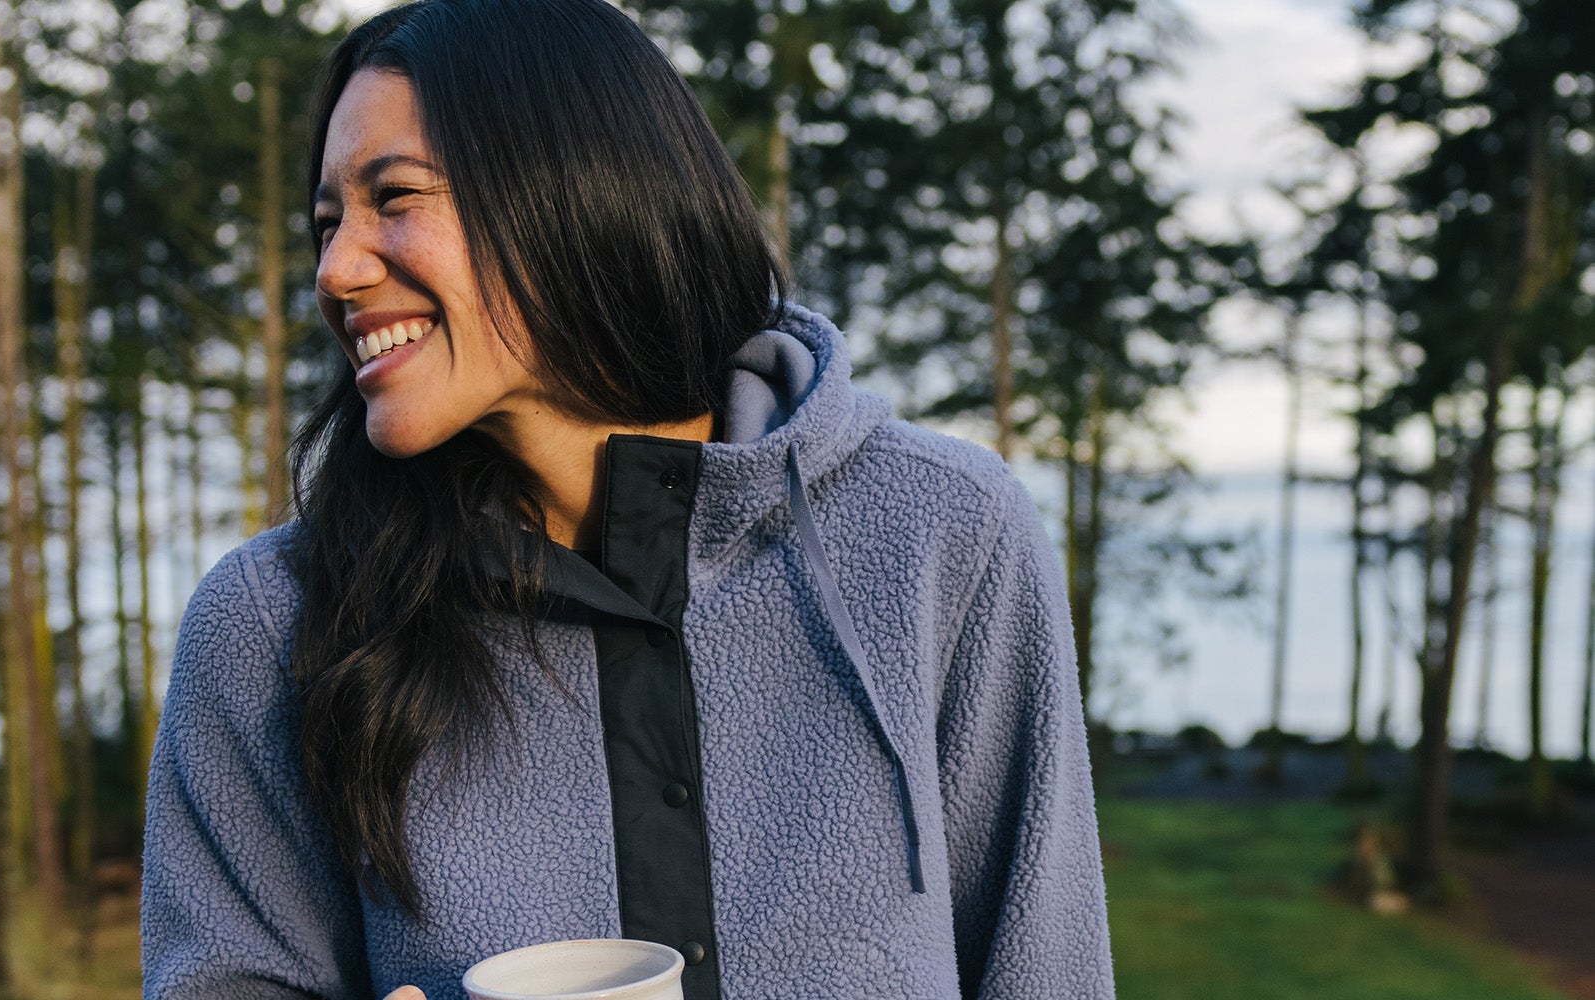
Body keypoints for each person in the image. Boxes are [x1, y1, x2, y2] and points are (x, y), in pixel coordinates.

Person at [139, 0, 1114, 997]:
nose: (336, 268)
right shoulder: (271, 627)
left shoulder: (943, 533)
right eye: (324, 223)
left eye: (392, 198)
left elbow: (1046, 970)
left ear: (566, 190)